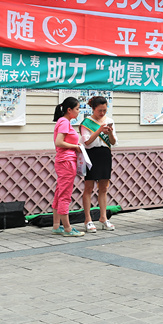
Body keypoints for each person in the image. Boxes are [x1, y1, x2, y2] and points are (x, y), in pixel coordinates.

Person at [80, 95, 117, 233]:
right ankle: (88, 219)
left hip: (105, 153)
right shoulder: (86, 122)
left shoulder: (109, 121)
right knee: (89, 187)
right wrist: (99, 130)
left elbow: (113, 142)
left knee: (103, 188)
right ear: (93, 109)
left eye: (104, 110)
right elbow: (87, 142)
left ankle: (103, 217)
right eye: (99, 110)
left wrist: (110, 133)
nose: (102, 113)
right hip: (91, 154)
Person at [52, 97, 85, 237]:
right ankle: (67, 228)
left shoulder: (63, 122)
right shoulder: (65, 122)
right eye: (77, 109)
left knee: (60, 192)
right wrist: (75, 147)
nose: (78, 111)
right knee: (65, 194)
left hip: (63, 161)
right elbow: (59, 142)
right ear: (69, 110)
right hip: (66, 162)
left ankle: (56, 225)